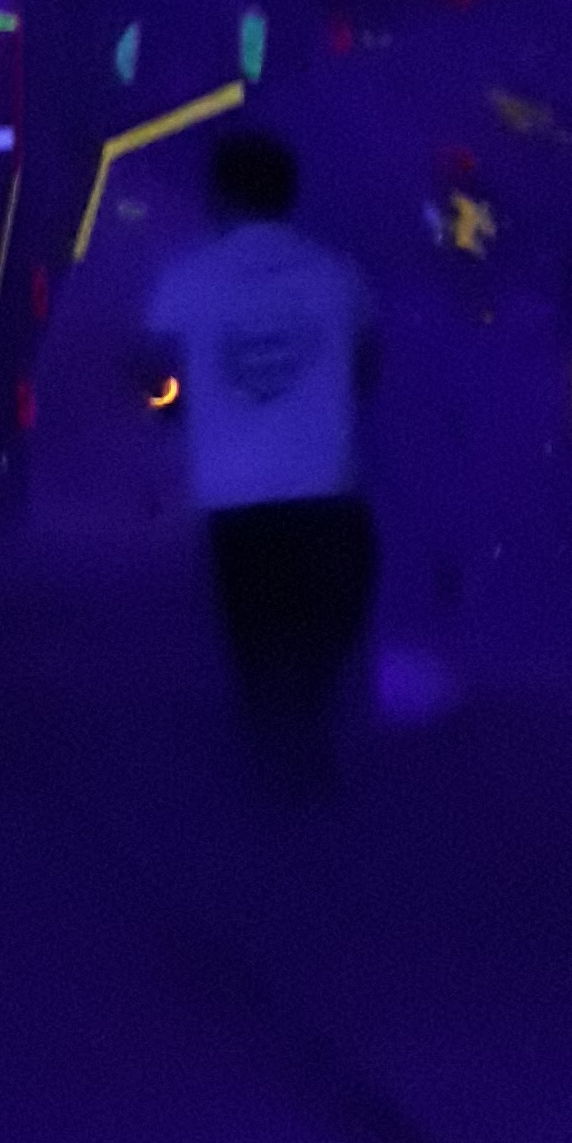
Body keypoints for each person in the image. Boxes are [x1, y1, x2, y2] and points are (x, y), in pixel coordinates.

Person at [139, 126, 380, 784]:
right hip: (327, 492)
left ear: (220, 196)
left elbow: (154, 372)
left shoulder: (188, 277)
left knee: (255, 632)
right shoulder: (337, 274)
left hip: (234, 496)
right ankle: (307, 735)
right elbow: (366, 366)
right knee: (322, 624)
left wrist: (181, 410)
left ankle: (270, 751)